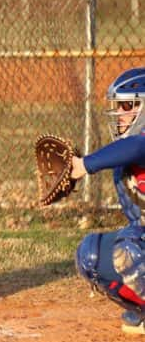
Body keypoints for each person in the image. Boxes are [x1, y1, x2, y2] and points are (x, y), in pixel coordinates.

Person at [71, 67, 145, 335]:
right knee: (91, 255)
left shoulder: (138, 145)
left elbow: (138, 147)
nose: (120, 114)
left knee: (131, 244)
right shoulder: (124, 157)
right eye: (118, 106)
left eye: (128, 106)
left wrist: (85, 165)